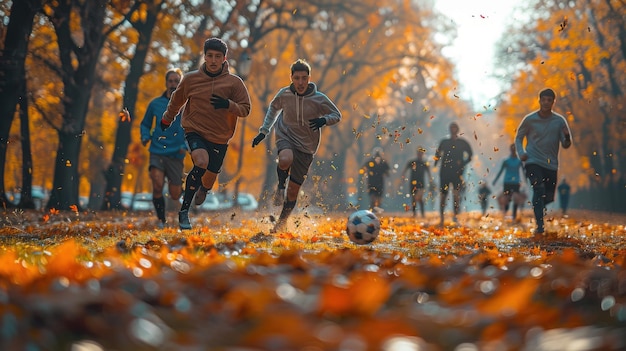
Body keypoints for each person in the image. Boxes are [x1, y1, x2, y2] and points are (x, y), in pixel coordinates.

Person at [161, 37, 251, 230]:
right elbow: (177, 100)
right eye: (209, 56)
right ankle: (184, 212)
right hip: (195, 130)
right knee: (201, 162)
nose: (212, 60)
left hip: (220, 137)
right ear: (204, 56)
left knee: (209, 179)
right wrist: (167, 119)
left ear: (224, 58)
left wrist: (228, 104)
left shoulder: (234, 83)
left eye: (217, 57)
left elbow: (245, 109)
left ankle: (204, 188)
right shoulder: (191, 79)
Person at [251, 59, 341, 233]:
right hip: (286, 135)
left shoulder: (319, 98)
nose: (300, 82)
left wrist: (324, 120)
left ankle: (281, 222)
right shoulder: (284, 94)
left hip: (307, 147)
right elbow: (273, 108)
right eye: (297, 78)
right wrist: (264, 131)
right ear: (291, 77)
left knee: (294, 192)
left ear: (309, 78)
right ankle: (280, 186)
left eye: (304, 78)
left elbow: (336, 115)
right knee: (285, 158)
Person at [515, 88, 572, 234]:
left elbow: (566, 145)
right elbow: (519, 137)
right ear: (539, 100)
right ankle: (540, 226)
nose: (546, 102)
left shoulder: (559, 121)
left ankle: (538, 206)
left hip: (551, 164)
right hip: (532, 160)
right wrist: (521, 152)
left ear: (553, 102)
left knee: (548, 197)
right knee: (538, 188)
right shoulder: (530, 119)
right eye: (544, 99)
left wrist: (566, 137)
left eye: (549, 100)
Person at [139, 68, 187, 228]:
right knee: (157, 184)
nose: (173, 84)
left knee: (174, 194)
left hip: (176, 153)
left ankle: (185, 196)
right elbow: (145, 124)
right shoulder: (155, 104)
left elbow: (193, 127)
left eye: (176, 81)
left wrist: (185, 145)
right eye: (171, 81)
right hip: (157, 150)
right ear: (166, 83)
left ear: (180, 84)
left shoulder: (186, 105)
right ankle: (161, 220)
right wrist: (145, 136)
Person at [434, 122, 473, 226]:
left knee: (456, 195)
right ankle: (442, 217)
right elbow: (437, 154)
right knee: (443, 195)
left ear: (458, 129)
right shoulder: (444, 142)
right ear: (449, 129)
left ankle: (455, 217)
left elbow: (470, 155)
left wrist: (463, 163)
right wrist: (435, 163)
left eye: (455, 127)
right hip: (444, 172)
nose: (453, 129)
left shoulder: (463, 143)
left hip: (457, 173)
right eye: (451, 127)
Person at [492, 143, 525, 221]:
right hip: (507, 182)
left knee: (516, 198)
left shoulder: (519, 160)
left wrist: (527, 180)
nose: (513, 150)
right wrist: (495, 180)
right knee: (507, 198)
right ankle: (505, 213)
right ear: (510, 149)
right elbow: (500, 171)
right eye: (512, 148)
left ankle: (514, 215)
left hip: (516, 182)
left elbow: (523, 171)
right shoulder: (506, 160)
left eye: (514, 148)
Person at [401, 146, 432, 217]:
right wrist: (403, 179)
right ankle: (415, 214)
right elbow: (404, 171)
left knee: (419, 197)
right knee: (414, 198)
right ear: (417, 153)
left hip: (421, 183)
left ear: (423, 154)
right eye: (419, 153)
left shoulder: (425, 163)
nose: (420, 154)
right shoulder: (412, 162)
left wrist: (431, 182)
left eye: (421, 153)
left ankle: (422, 213)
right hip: (413, 182)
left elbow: (429, 173)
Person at [361, 147, 390, 213]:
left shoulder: (382, 162)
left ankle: (375, 212)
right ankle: (373, 212)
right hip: (373, 183)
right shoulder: (371, 162)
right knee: (374, 199)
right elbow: (388, 173)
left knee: (377, 199)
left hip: (378, 183)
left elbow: (387, 172)